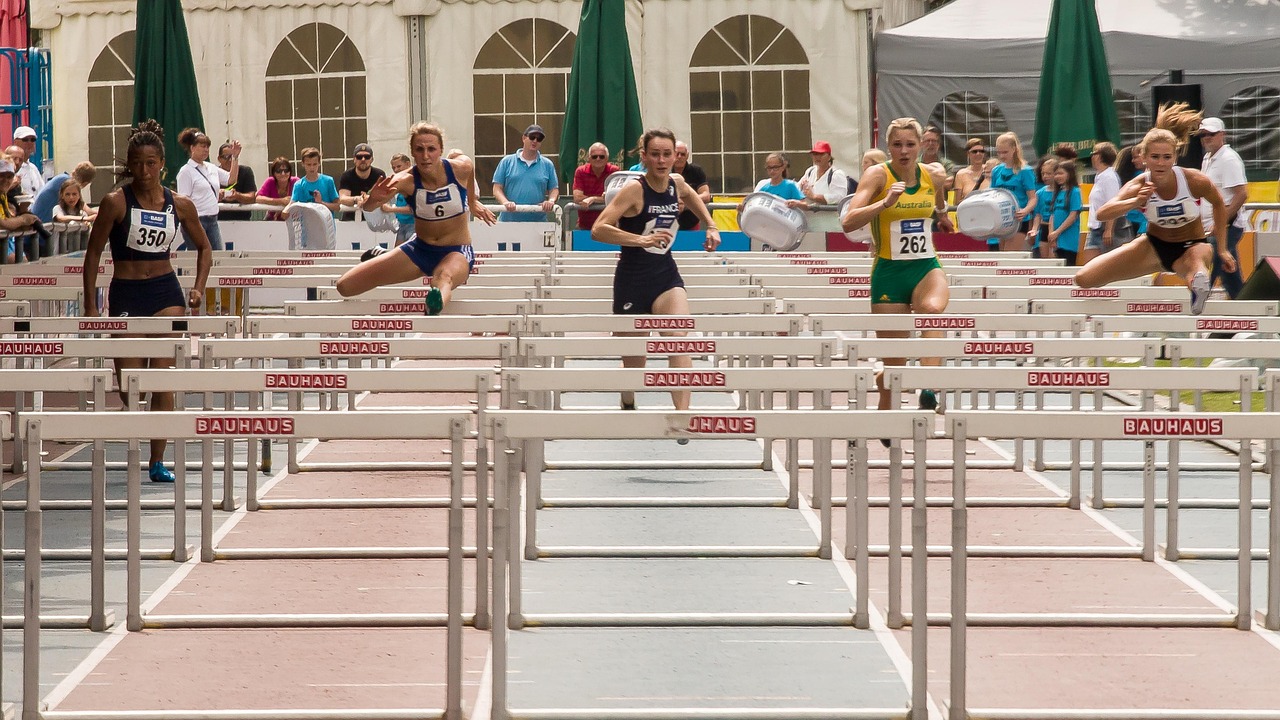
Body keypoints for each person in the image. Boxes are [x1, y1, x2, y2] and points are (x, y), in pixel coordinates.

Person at [82, 120, 212, 483]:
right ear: (129, 163)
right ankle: (138, 429)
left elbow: (204, 247)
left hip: (165, 294)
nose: (144, 170)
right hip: (126, 293)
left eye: (151, 163)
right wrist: (91, 306)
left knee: (161, 379)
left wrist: (198, 287)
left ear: (162, 165)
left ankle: (157, 460)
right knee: (128, 383)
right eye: (137, 163)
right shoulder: (114, 202)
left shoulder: (180, 205)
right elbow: (92, 254)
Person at [591, 128, 721, 421]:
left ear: (676, 156)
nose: (662, 161)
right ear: (645, 157)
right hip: (632, 280)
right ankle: (628, 397)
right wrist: (640, 240)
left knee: (679, 339)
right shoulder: (634, 190)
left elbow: (693, 196)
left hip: (665, 276)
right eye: (655, 154)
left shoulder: (677, 183)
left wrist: (711, 225)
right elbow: (599, 228)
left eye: (667, 154)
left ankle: (683, 416)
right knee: (635, 363)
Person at [841, 117, 953, 421]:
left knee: (932, 309)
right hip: (889, 272)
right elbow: (848, 221)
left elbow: (939, 201)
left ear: (921, 146)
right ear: (888, 147)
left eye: (910, 144)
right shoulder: (877, 176)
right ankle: (885, 387)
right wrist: (884, 203)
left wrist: (942, 215)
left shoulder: (935, 174)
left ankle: (928, 388)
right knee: (896, 367)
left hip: (926, 266)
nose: (903, 151)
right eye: (897, 145)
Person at [1075, 103, 1235, 316]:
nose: (1161, 163)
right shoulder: (1140, 184)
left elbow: (1218, 203)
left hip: (1190, 246)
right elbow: (1103, 213)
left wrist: (1222, 249)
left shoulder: (1193, 180)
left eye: (1167, 157)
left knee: (1198, 264)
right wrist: (1135, 201)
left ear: (1175, 158)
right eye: (1155, 157)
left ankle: (1197, 286)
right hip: (1152, 247)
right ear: (1144, 158)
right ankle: (1192, 280)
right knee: (1084, 279)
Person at [335, 122, 496, 315]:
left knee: (443, 277)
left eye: (431, 149)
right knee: (345, 286)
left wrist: (471, 201)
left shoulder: (459, 168)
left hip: (456, 251)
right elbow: (369, 207)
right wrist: (372, 200)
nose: (426, 156)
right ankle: (385, 254)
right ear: (412, 152)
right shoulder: (404, 180)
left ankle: (434, 304)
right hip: (419, 249)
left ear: (440, 150)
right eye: (419, 150)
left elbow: (468, 168)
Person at [1198, 117, 1248, 299]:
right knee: (1230, 277)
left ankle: (1192, 314)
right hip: (1216, 226)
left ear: (1222, 135)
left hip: (1226, 226)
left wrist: (1221, 222)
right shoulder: (1208, 158)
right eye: (1203, 135)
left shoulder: (1228, 159)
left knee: (1206, 270)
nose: (1206, 138)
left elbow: (1241, 194)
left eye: (1210, 134)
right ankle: (1247, 316)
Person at [175, 128, 239, 250]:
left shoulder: (211, 167)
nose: (206, 150)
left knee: (218, 255)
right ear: (192, 148)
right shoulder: (185, 172)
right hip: (196, 220)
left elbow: (231, 179)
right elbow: (183, 201)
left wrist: (235, 157)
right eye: (202, 146)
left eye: (207, 147)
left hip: (213, 218)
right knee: (200, 255)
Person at [492, 124, 558, 222]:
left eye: (539, 139)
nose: (535, 141)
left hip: (538, 222)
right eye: (532, 137)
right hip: (508, 222)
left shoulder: (547, 164)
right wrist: (505, 203)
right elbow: (497, 188)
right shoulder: (507, 161)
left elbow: (554, 189)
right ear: (524, 138)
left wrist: (551, 201)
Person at [1079, 142, 1130, 265]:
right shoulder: (1100, 176)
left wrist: (1109, 230)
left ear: (1100, 156)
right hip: (1095, 227)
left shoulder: (1109, 177)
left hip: (1108, 226)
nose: (1091, 156)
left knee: (1109, 266)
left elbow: (1112, 203)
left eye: (1093, 153)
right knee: (1090, 266)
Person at [989, 131, 1037, 252]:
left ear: (1014, 149)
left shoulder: (1025, 171)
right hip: (1002, 218)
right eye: (999, 152)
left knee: (1010, 254)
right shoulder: (996, 170)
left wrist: (1025, 211)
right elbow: (993, 194)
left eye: (1005, 152)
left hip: (1018, 218)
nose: (1001, 156)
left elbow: (1033, 197)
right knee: (1002, 254)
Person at [572, 142, 619, 230]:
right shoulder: (581, 171)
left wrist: (592, 199)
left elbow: (617, 198)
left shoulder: (614, 172)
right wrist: (602, 199)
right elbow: (577, 198)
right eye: (594, 156)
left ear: (607, 158)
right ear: (589, 158)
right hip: (584, 226)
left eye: (602, 156)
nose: (598, 159)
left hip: (609, 226)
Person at [0, 161, 40, 262]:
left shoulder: (2, 195)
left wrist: (23, 224)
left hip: (7, 242)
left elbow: (7, 220)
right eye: (1, 176)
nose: (6, 180)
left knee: (24, 261)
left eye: (9, 177)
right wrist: (23, 220)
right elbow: (2, 223)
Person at [1046, 159, 1082, 265]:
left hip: (1069, 239)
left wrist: (1057, 232)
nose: (1057, 177)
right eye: (1056, 174)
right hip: (1057, 239)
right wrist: (1051, 234)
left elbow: (1073, 215)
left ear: (1070, 174)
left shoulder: (1075, 192)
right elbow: (1052, 215)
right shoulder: (1058, 192)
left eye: (1061, 173)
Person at [338, 143, 386, 221]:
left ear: (372, 159)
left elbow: (384, 197)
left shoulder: (379, 175)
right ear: (354, 159)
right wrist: (357, 199)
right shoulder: (347, 175)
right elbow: (342, 198)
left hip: (375, 219)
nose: (363, 159)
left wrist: (368, 199)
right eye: (359, 157)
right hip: (350, 219)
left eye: (367, 157)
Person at [290, 147, 341, 215]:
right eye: (308, 164)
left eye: (314, 164)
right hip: (306, 224)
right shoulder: (299, 185)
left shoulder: (328, 181)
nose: (312, 168)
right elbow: (292, 205)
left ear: (319, 163)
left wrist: (321, 203)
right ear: (303, 164)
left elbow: (337, 207)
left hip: (325, 224)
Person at [799, 140, 852, 206]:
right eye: (815, 154)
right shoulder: (810, 171)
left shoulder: (836, 174)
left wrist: (814, 197)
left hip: (828, 215)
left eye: (821, 154)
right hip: (809, 215)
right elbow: (797, 188)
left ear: (829, 157)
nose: (817, 157)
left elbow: (839, 197)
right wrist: (801, 187)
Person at [673, 141, 711, 230]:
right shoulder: (664, 171)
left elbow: (706, 195)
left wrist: (685, 202)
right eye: (676, 154)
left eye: (682, 154)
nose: (679, 157)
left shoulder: (696, 171)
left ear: (687, 155)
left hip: (691, 225)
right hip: (667, 226)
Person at [379, 152, 416, 245]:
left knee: (409, 255)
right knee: (398, 255)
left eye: (399, 166)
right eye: (393, 168)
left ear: (408, 164)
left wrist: (391, 209)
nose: (396, 170)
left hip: (413, 224)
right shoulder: (399, 183)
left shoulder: (413, 182)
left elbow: (413, 209)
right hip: (402, 225)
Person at [216, 142, 257, 222]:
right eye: (226, 157)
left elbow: (252, 197)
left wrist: (237, 196)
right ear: (219, 159)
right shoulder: (213, 172)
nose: (230, 160)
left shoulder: (245, 171)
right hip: (218, 221)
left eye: (233, 156)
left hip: (242, 220)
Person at [1115, 145, 1148, 237]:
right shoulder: (1140, 177)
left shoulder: (1128, 178)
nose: (1133, 161)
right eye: (1133, 158)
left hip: (1131, 219)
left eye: (1136, 157)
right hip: (1141, 222)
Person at [1030, 156, 1057, 259]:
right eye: (1043, 174)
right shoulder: (1040, 193)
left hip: (1056, 227)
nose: (1045, 176)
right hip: (1044, 227)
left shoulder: (1062, 192)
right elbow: (1037, 215)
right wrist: (1034, 229)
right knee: (1044, 259)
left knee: (1055, 258)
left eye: (1048, 174)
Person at [952, 139, 990, 206]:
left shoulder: (990, 170)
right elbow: (956, 203)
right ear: (968, 154)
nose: (978, 154)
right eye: (974, 151)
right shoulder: (961, 174)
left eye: (981, 151)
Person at [919, 126, 956, 190]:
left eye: (934, 141)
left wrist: (921, 182)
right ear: (921, 144)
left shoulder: (947, 164)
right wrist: (939, 181)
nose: (931, 144)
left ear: (938, 144)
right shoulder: (914, 163)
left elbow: (948, 184)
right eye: (927, 141)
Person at [11, 126, 44, 195]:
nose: (30, 143)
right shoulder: (10, 168)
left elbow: (42, 192)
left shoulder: (33, 168)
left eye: (32, 140)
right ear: (16, 142)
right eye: (25, 139)